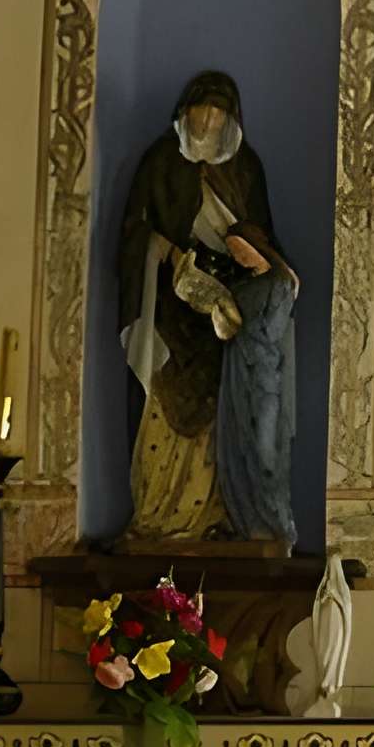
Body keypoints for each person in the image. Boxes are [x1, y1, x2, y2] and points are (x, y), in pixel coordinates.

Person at [114, 71, 299, 546]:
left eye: (219, 113)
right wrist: (168, 253)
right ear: (186, 110)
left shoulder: (244, 167)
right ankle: (159, 515)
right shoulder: (161, 161)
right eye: (202, 110)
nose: (209, 120)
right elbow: (134, 231)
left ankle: (216, 516)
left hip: (225, 307)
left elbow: (261, 239)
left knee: (222, 415)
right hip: (174, 304)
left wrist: (260, 271)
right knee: (167, 405)